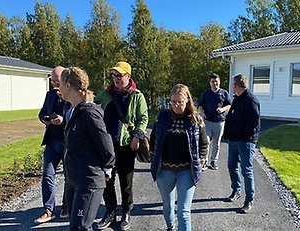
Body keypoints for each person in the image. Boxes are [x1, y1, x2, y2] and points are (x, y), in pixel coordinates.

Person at [58, 67, 116, 230]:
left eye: (60, 84)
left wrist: (108, 167)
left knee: (80, 227)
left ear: (68, 85)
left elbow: (106, 143)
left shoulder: (89, 113)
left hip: (89, 181)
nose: (58, 88)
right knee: (77, 226)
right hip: (74, 180)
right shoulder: (73, 110)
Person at [94, 61, 148, 230]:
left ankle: (126, 211)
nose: (116, 79)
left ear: (128, 76)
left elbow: (143, 118)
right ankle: (110, 211)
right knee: (106, 181)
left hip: (126, 145)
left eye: (119, 75)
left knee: (126, 182)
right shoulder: (105, 95)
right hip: (106, 146)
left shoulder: (137, 96)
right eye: (114, 75)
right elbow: (93, 110)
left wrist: (137, 136)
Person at [150, 84, 208, 231]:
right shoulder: (162, 117)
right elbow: (153, 139)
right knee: (168, 206)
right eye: (173, 102)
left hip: (187, 171)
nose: (176, 105)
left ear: (187, 101)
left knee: (183, 212)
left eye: (180, 102)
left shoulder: (196, 120)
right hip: (164, 171)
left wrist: (201, 159)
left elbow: (203, 144)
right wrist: (152, 156)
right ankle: (170, 227)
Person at [35, 66, 71, 224]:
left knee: (69, 176)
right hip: (52, 141)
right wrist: (45, 119)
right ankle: (49, 210)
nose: (55, 84)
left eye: (57, 81)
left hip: (67, 141)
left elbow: (78, 115)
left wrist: (64, 121)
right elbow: (42, 112)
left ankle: (66, 206)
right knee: (47, 175)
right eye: (53, 81)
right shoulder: (49, 95)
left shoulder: (71, 94)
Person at [223, 74, 261, 213]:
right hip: (233, 140)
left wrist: (245, 138)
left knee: (247, 171)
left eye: (232, 84)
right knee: (231, 166)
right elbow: (231, 118)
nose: (231, 86)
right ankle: (236, 190)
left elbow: (254, 124)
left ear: (235, 85)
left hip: (245, 142)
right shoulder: (237, 99)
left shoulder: (251, 100)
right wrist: (227, 134)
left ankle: (249, 200)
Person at [198, 73, 232, 170]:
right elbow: (200, 106)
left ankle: (213, 161)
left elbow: (229, 105)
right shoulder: (206, 93)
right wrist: (202, 113)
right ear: (210, 83)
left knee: (216, 143)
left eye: (216, 81)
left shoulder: (224, 93)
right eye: (213, 82)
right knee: (206, 142)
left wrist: (222, 109)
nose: (215, 83)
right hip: (207, 122)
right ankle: (204, 161)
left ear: (219, 82)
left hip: (219, 122)